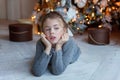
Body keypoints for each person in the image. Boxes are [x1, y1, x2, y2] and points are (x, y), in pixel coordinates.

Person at [31, 11, 81, 76]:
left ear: (64, 30)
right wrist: (48, 47)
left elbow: (57, 71)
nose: (52, 32)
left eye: (56, 28)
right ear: (43, 32)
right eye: (47, 29)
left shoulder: (69, 43)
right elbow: (37, 72)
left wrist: (58, 46)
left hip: (73, 53)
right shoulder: (40, 43)